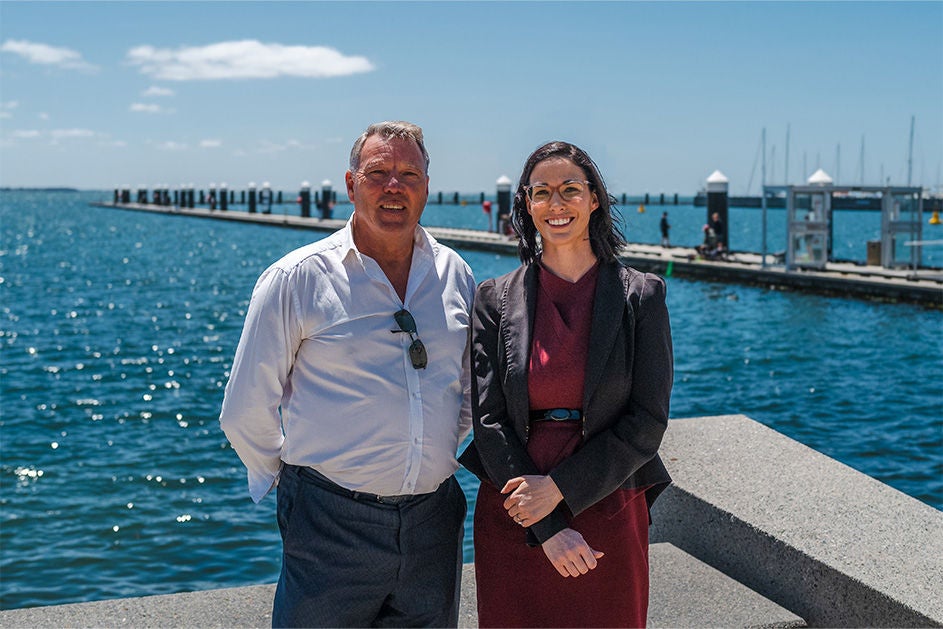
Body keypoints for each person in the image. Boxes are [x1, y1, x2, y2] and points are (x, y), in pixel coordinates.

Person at [219, 121, 476, 628]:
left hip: (434, 522)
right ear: (351, 184)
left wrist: (432, 454)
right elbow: (246, 409)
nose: (394, 186)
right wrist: (295, 481)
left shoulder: (456, 274)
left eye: (409, 174)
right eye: (378, 172)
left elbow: (467, 391)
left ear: (428, 185)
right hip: (330, 522)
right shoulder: (296, 278)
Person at [459, 141, 673, 628]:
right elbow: (488, 420)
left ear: (594, 199)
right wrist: (547, 523)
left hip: (608, 499)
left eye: (570, 189)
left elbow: (647, 421)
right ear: (527, 205)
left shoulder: (641, 296)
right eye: (542, 193)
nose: (557, 205)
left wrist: (558, 490)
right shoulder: (494, 299)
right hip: (514, 505)